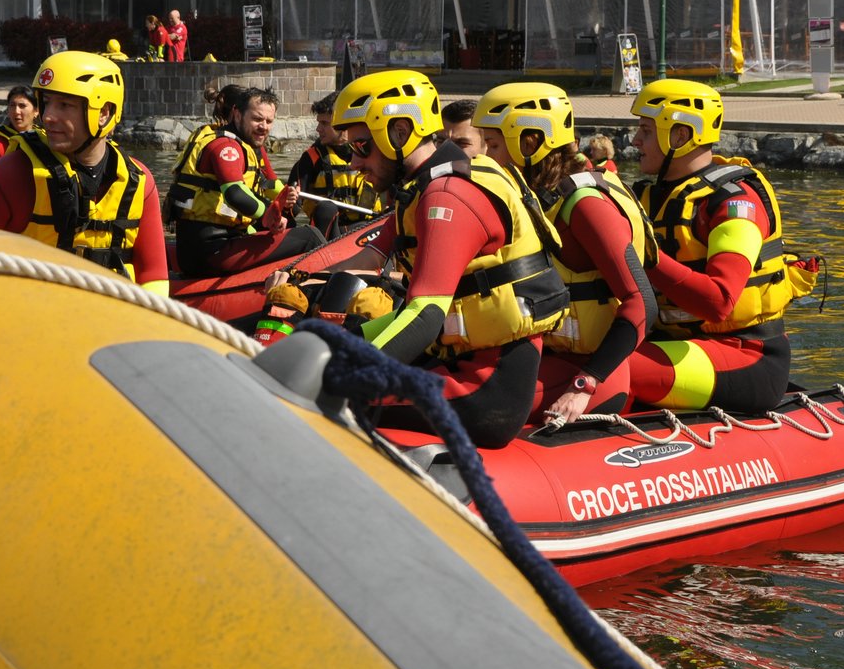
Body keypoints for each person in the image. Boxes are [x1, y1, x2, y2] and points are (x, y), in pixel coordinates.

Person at [321, 70, 569, 449]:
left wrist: (340, 373)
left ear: (399, 133)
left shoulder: (447, 195)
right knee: (326, 351)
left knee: (318, 393)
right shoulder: (425, 186)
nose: (354, 164)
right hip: (457, 365)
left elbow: (425, 315)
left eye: (360, 148)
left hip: (483, 391)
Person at [623, 79, 815, 414]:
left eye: (645, 131)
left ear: (679, 135)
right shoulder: (646, 197)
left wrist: (646, 255)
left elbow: (719, 301)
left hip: (747, 356)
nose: (635, 140)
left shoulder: (737, 203)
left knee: (610, 368)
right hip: (674, 343)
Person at [473, 83, 656, 428]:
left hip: (588, 376)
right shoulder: (535, 199)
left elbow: (642, 300)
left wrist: (585, 384)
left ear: (530, 143)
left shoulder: (584, 205)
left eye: (493, 145)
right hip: (545, 357)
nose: (484, 158)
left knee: (469, 406)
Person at [0, 52, 169, 294]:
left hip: (110, 321)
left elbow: (154, 276)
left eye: (65, 105)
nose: (48, 116)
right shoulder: (13, 173)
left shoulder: (138, 181)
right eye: (47, 102)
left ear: (104, 112)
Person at [169, 85, 324, 277]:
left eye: (269, 121)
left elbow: (265, 183)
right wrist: (269, 214)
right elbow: (235, 193)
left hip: (220, 241)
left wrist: (285, 195)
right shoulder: (226, 147)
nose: (264, 127)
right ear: (237, 114)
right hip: (210, 250)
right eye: (257, 119)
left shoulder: (244, 145)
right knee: (310, 237)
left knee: (290, 225)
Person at [286, 92, 381, 237]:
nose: (318, 129)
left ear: (342, 124)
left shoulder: (374, 154)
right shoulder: (311, 158)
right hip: (329, 234)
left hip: (367, 229)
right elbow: (293, 207)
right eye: (319, 122)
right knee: (326, 209)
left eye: (324, 123)